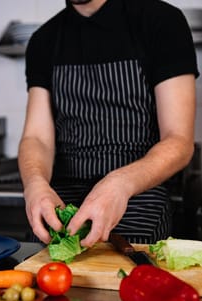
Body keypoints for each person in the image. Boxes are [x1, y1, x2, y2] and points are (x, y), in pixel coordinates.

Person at [18, 0, 199, 247]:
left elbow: (179, 141)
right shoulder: (43, 40)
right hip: (62, 203)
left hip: (137, 197)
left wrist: (120, 183)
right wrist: (35, 184)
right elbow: (36, 138)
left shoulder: (162, 21)